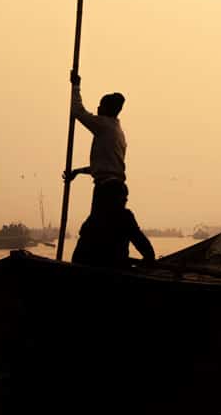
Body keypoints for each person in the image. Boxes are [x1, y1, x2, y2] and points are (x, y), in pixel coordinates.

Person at [65, 72, 127, 213]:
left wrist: (76, 86)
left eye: (101, 106)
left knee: (92, 231)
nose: (98, 108)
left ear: (108, 109)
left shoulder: (104, 125)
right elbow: (103, 167)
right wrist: (78, 171)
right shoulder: (117, 132)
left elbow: (78, 111)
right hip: (116, 188)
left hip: (106, 190)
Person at [71, 180, 155, 269]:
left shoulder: (93, 218)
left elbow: (77, 257)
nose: (126, 199)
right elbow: (146, 250)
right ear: (113, 197)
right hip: (114, 273)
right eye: (123, 196)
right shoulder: (125, 217)